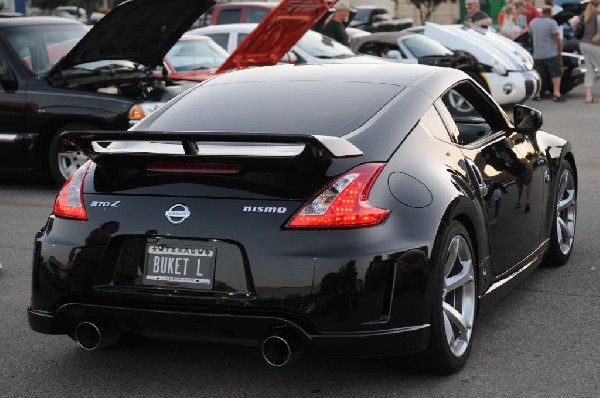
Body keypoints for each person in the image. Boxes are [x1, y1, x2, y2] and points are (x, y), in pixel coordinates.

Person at [529, 6, 565, 102]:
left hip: (537, 54)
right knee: (556, 73)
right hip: (551, 53)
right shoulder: (552, 23)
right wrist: (559, 49)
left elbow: (530, 36)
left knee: (539, 75)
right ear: (550, 13)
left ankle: (537, 94)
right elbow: (557, 38)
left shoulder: (533, 22)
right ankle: (556, 94)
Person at [570, 0, 600, 103]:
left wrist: (577, 32)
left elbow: (573, 22)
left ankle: (588, 97)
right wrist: (598, 34)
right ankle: (589, 98)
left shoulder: (587, 13)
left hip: (583, 43)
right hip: (595, 45)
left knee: (590, 71)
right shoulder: (598, 13)